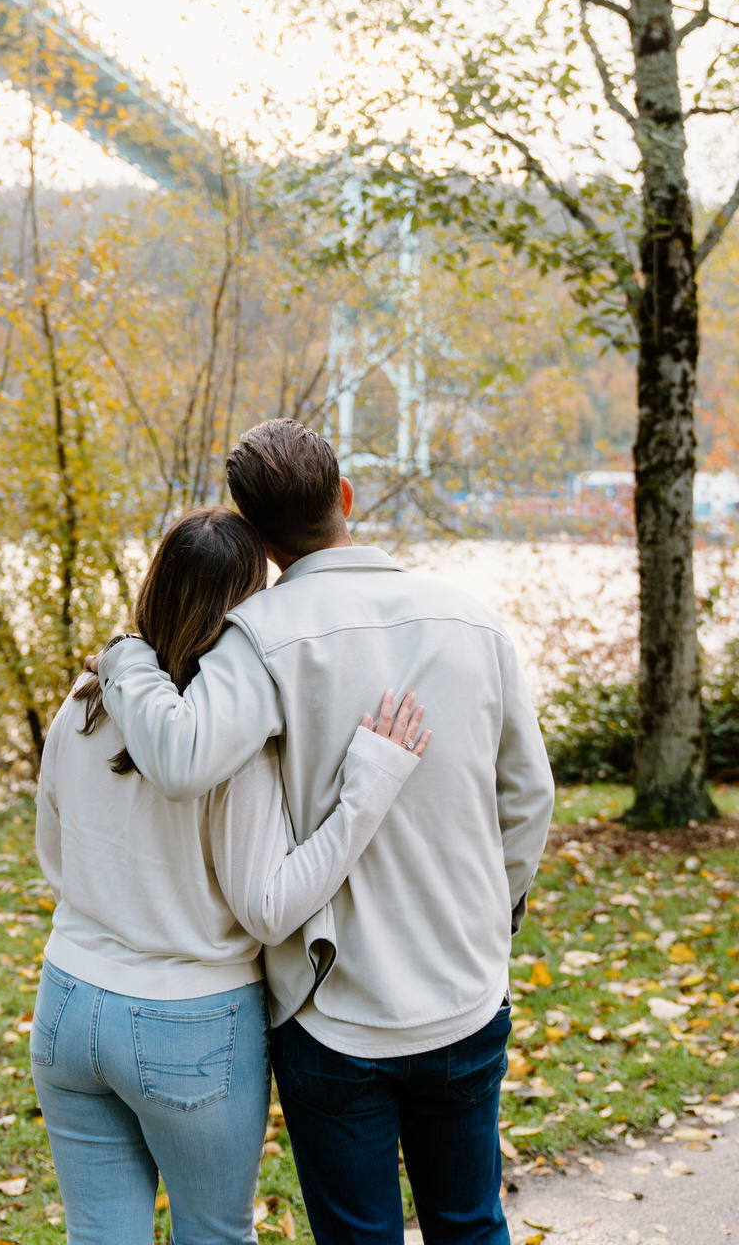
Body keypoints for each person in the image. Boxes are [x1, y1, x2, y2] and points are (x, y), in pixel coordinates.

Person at [90, 419, 556, 1245]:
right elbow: (528, 798)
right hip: (465, 989)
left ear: (260, 538)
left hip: (332, 1009)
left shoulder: (259, 639)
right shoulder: (474, 622)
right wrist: (498, 911)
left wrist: (127, 657)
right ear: (346, 497)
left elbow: (178, 754)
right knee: (473, 1223)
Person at [32, 504, 430, 1245]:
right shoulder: (235, 746)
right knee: (215, 1234)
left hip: (67, 1003)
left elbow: (53, 858)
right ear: (247, 610)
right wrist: (366, 793)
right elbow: (271, 909)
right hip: (188, 1020)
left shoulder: (83, 704)